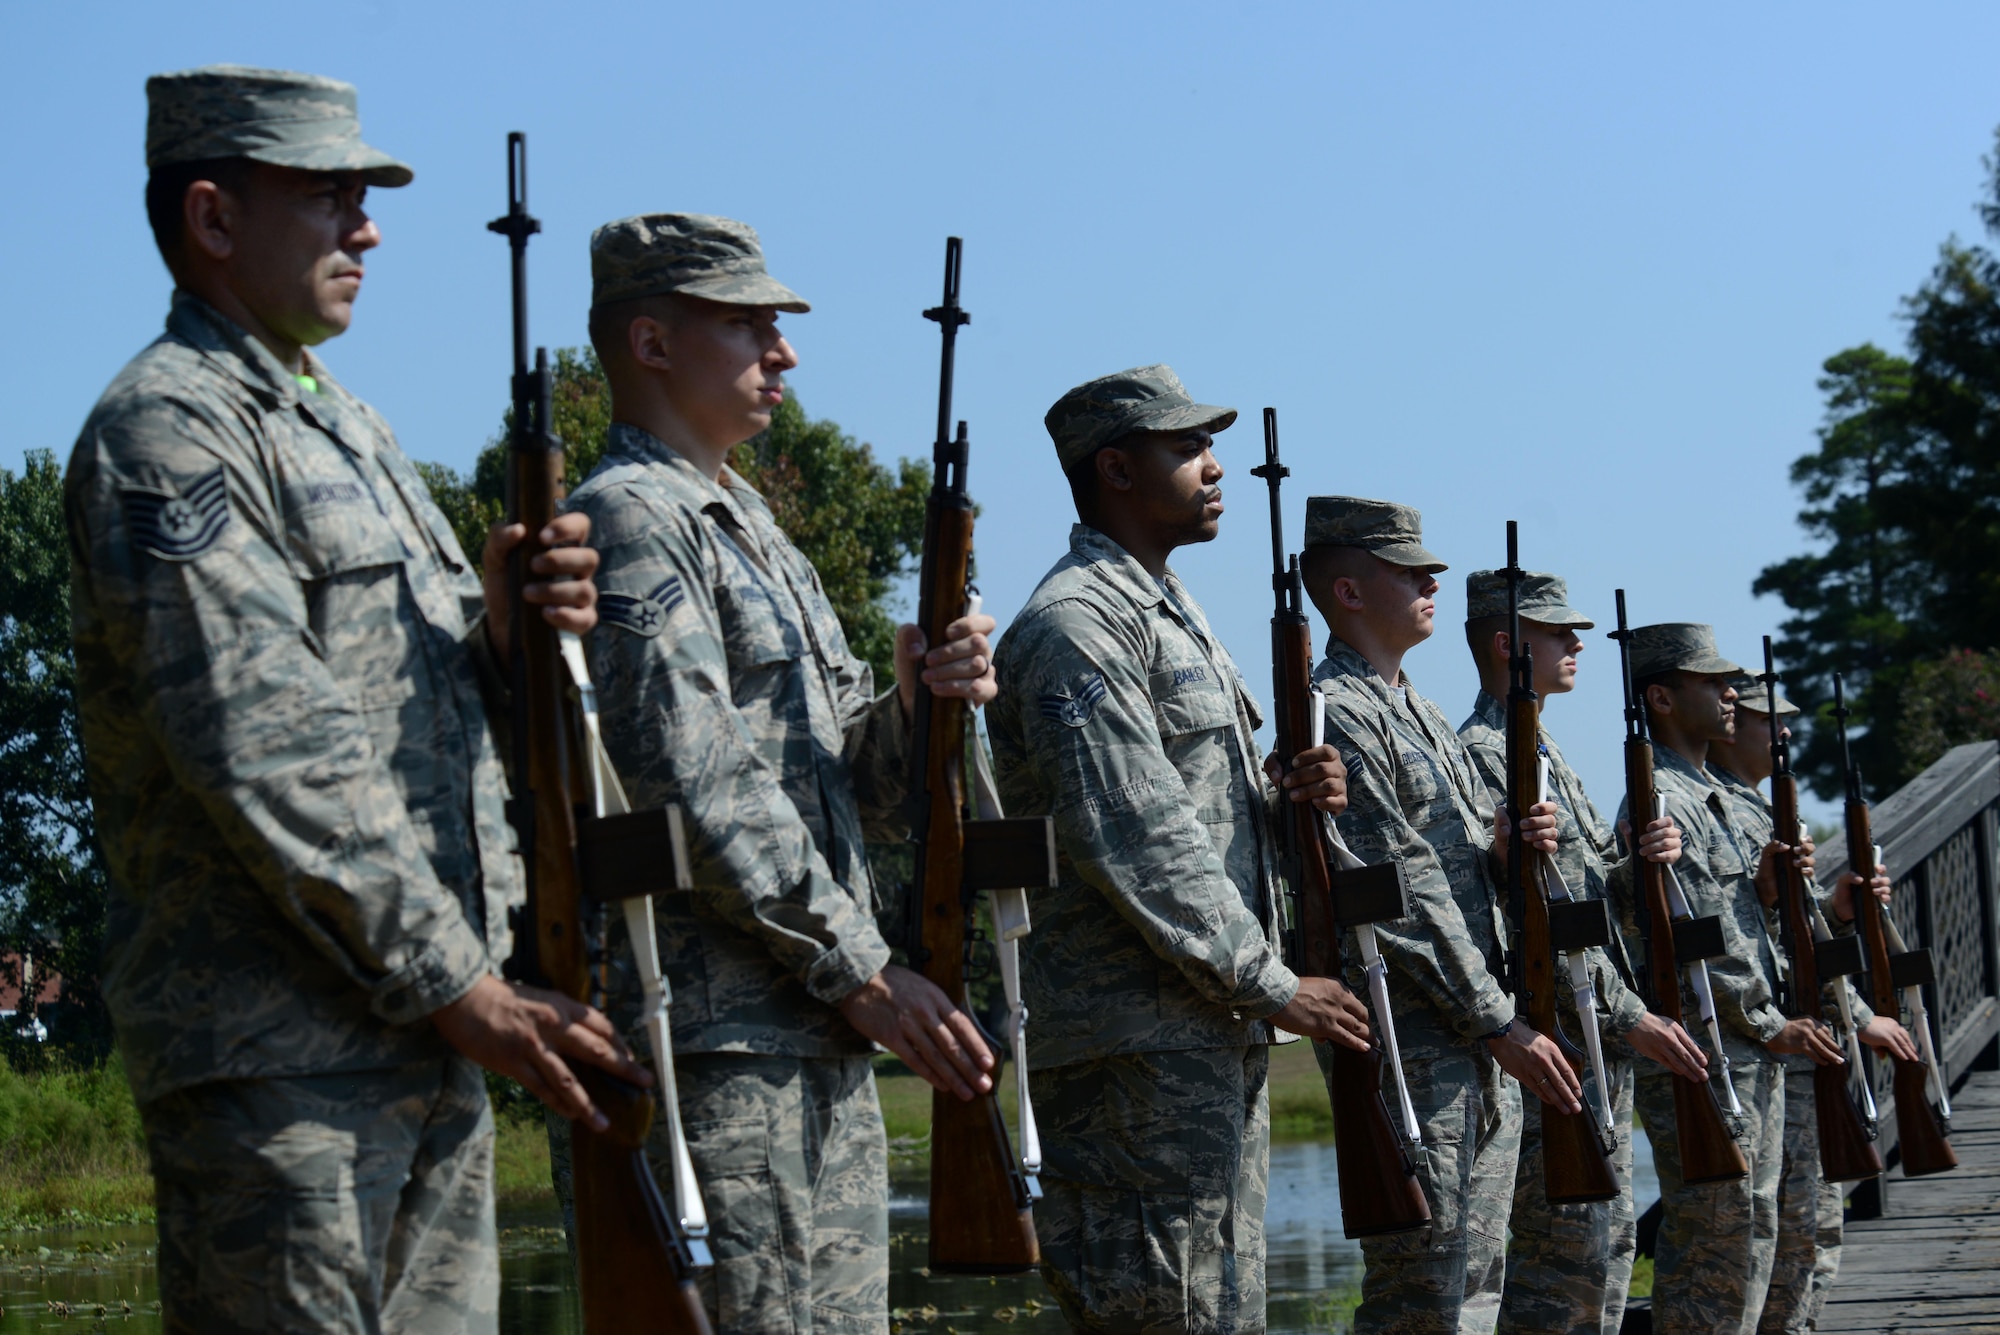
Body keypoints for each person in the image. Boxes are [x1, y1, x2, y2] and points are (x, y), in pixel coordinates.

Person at [68, 65, 630, 1334]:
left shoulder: (351, 430)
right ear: (214, 219)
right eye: (330, 197)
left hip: (420, 1040)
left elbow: (413, 714)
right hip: (283, 1064)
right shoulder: (170, 432)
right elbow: (267, 749)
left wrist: (500, 636)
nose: (366, 228)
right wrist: (462, 984)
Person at [559, 213, 1000, 1333]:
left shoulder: (752, 525)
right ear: (651, 343)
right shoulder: (630, 521)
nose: (783, 349)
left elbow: (863, 787)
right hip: (713, 1043)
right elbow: (693, 782)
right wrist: (862, 969)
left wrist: (921, 704)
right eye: (745, 323)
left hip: (810, 1033)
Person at [987, 367, 1371, 1332]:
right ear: (1114, 468)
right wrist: (1272, 980)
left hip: (1195, 1031)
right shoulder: (1078, 625)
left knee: (1217, 1309)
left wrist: (1292, 795)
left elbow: (1203, 813)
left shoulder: (1172, 612)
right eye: (1186, 448)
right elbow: (1137, 835)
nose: (1215, 467)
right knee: (1167, 1310)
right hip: (1134, 1048)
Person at [1296, 500, 1568, 1334]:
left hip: (1472, 1032)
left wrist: (1508, 849)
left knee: (1476, 1284)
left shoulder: (1421, 711)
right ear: (1347, 588)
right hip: (1419, 1032)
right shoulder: (1340, 709)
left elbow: (1459, 874)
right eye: (1407, 567)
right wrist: (1498, 1022)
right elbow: (1403, 886)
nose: (1431, 578)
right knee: (1426, 1294)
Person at [1455, 569, 1708, 1335]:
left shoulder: (1549, 753)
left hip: (1597, 1038)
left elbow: (1592, 896)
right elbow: (1529, 918)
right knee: (1562, 1271)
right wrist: (1629, 1014)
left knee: (1603, 1256)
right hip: (1563, 1037)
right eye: (1557, 629)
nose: (1576, 641)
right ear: (1509, 645)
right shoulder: (1484, 754)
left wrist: (1639, 862)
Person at [1609, 624, 1841, 1334]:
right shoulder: (1661, 801)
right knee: (1720, 1236)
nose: (1731, 692)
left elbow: (1735, 925)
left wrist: (1770, 890)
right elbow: (1690, 949)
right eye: (1711, 682)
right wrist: (1771, 1023)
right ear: (1662, 697)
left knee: (1753, 1229)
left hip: (1745, 1044)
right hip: (1715, 1044)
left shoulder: (1710, 793)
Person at [1705, 673, 1916, 1335]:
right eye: (1773, 719)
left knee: (1811, 1240)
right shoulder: (1717, 806)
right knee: (1785, 1241)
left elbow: (1787, 936)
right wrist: (1859, 1018)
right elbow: (1740, 941)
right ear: (1731, 720)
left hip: (1800, 1047)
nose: (1787, 732)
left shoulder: (1757, 807)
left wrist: (1837, 911)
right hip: (1771, 1048)